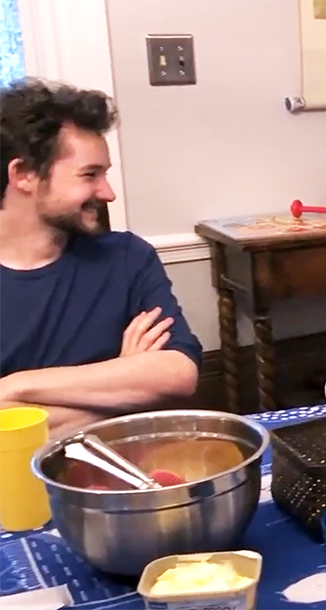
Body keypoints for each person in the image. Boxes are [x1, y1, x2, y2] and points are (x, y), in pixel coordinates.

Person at [0, 78, 202, 437]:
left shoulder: (128, 258)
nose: (107, 192)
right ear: (24, 175)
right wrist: (122, 385)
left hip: (119, 474)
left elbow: (177, 373)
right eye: (89, 175)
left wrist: (16, 386)